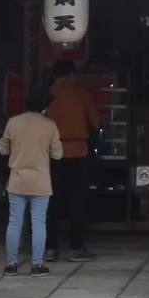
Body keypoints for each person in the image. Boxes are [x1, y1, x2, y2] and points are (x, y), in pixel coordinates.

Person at [0, 87, 61, 275]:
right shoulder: (50, 125)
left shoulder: (13, 123)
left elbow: (3, 149)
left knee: (15, 222)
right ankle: (37, 265)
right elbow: (57, 154)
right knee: (39, 222)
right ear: (44, 106)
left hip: (17, 180)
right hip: (40, 181)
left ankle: (11, 264)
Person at [44, 59, 103, 262]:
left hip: (52, 152)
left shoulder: (47, 95)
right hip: (78, 150)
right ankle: (76, 248)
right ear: (72, 75)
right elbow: (96, 122)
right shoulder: (82, 94)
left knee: (50, 200)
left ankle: (50, 248)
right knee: (78, 201)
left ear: (53, 75)